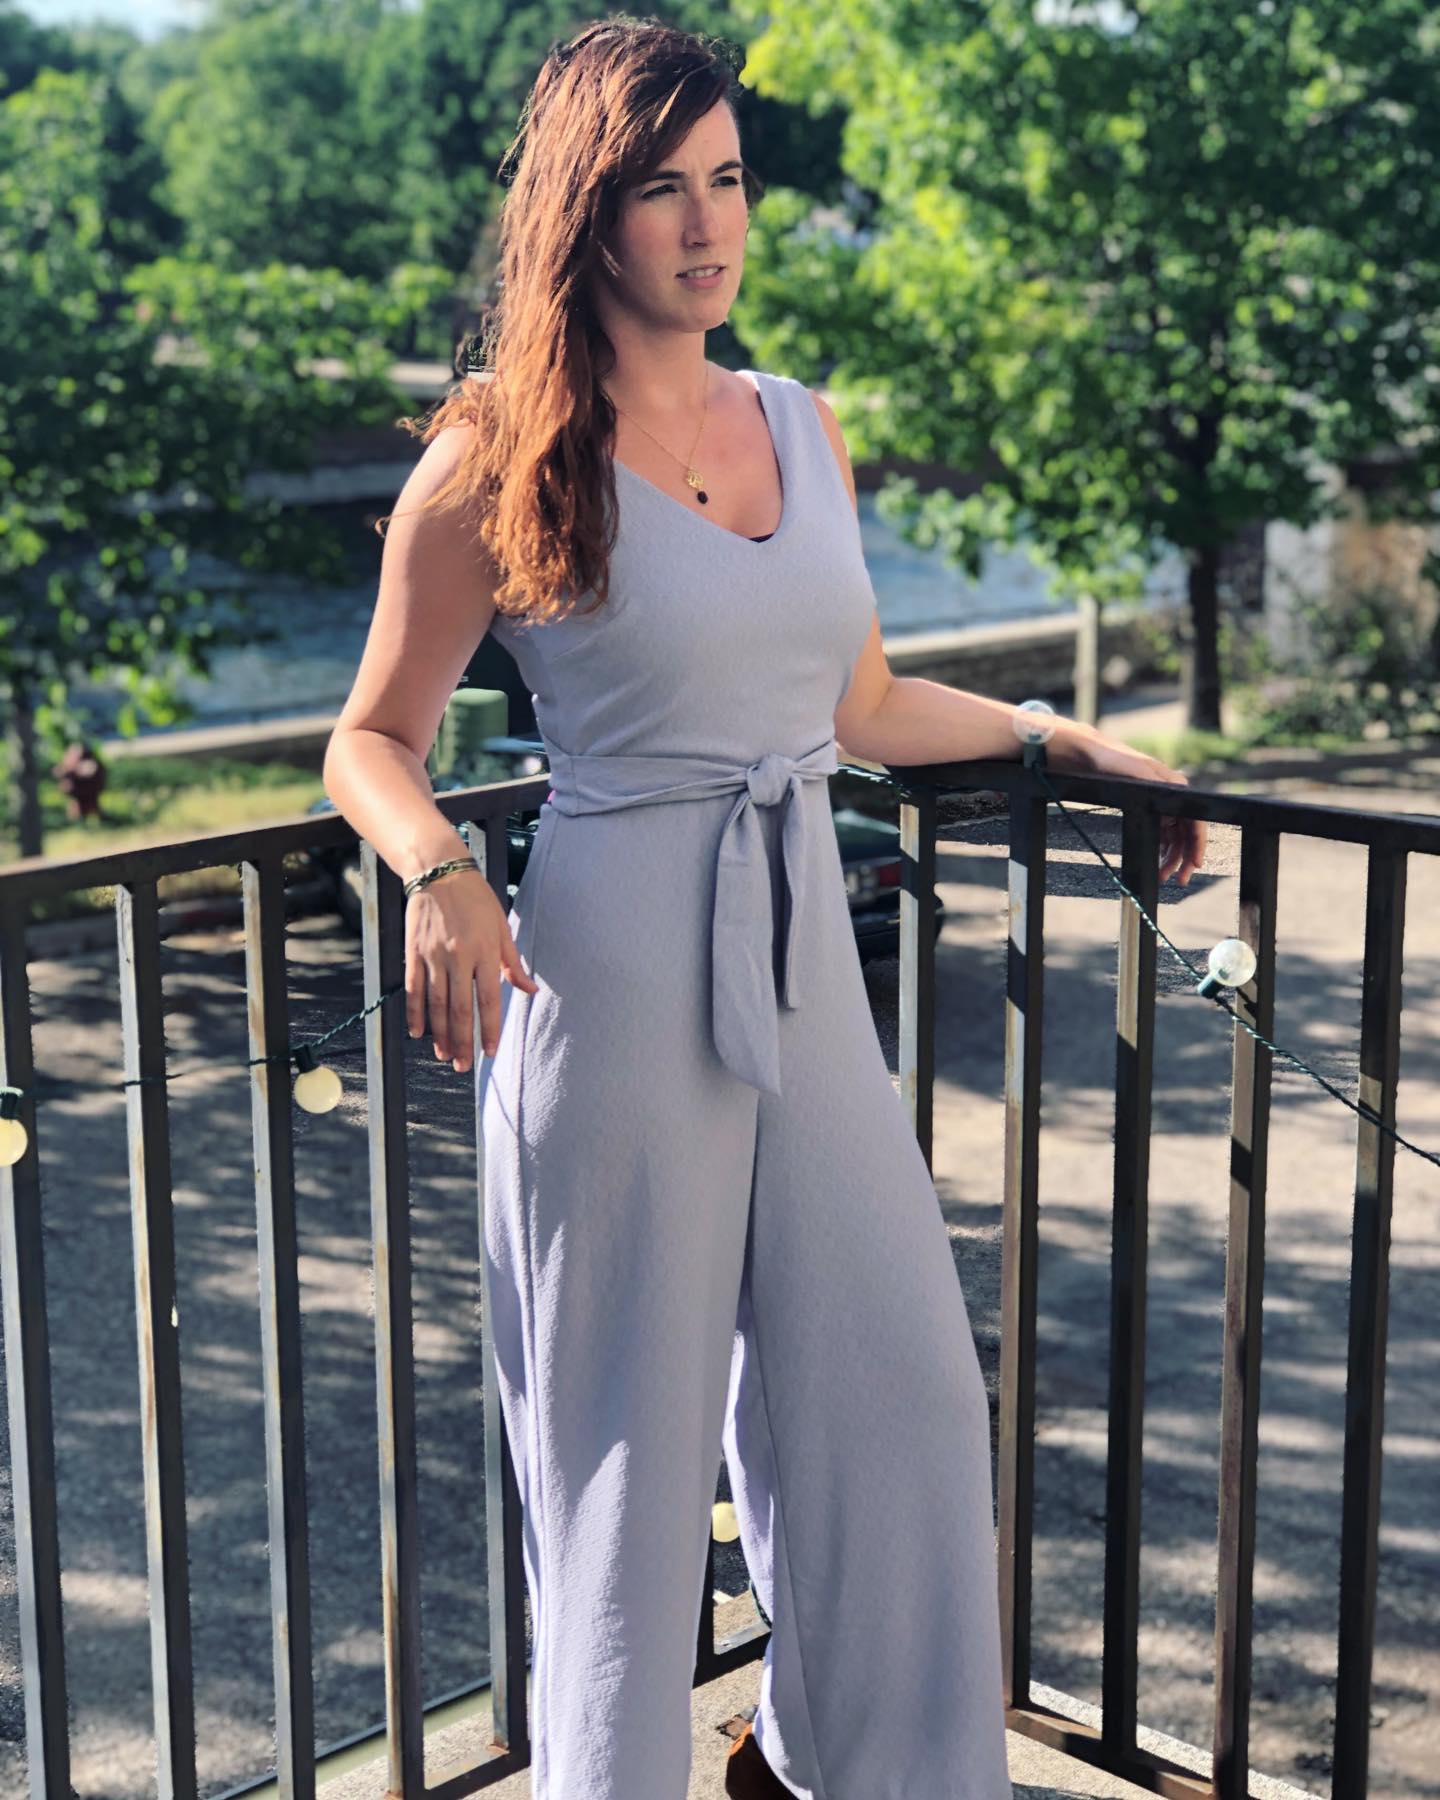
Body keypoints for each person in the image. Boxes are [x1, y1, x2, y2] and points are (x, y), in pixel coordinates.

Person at [322, 19, 1207, 1800]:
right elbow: (370, 739)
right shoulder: (497, 456)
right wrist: (437, 866)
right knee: (629, 1464)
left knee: (899, 1397)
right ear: (590, 215)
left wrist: (1056, 738)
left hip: (805, 961)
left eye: (727, 181)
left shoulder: (802, 426)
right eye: (663, 189)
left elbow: (861, 705)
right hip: (612, 978)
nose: (708, 225)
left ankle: (872, 1771)